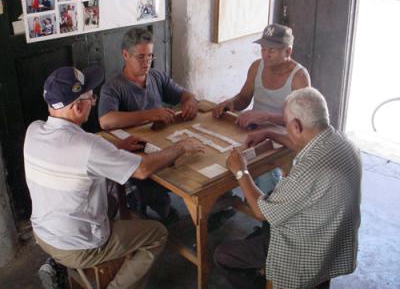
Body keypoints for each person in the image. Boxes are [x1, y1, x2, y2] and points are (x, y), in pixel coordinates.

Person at [24, 66, 204, 289]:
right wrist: (181, 147)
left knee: (108, 202)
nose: (93, 101)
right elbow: (143, 169)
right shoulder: (89, 146)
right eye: (92, 97)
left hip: (42, 233)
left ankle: (56, 263)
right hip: (78, 246)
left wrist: (115, 148)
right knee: (158, 233)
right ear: (79, 107)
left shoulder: (33, 130)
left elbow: (73, 151)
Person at [214, 87, 361, 289]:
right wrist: (270, 133)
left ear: (297, 126)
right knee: (264, 225)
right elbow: (305, 146)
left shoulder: (309, 171)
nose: (285, 127)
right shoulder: (342, 142)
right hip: (334, 243)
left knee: (223, 255)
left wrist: (241, 171)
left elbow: (260, 212)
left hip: (303, 253)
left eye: (286, 124)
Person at [98, 27, 198, 221]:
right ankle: (147, 205)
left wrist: (190, 101)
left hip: (160, 142)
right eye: (141, 57)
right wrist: (149, 115)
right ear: (126, 55)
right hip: (135, 151)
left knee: (191, 160)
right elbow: (106, 121)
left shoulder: (157, 77)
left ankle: (170, 205)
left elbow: (184, 94)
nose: (147, 62)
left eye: (150, 56)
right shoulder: (113, 87)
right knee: (149, 183)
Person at [213, 23, 311, 197]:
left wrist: (266, 116)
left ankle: (268, 216)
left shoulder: (299, 77)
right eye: (263, 49)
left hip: (283, 136)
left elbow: (301, 122)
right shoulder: (256, 67)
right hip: (254, 130)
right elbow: (243, 98)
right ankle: (222, 203)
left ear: (287, 52)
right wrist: (230, 103)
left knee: (265, 173)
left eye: (271, 51)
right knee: (222, 155)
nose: (265, 55)